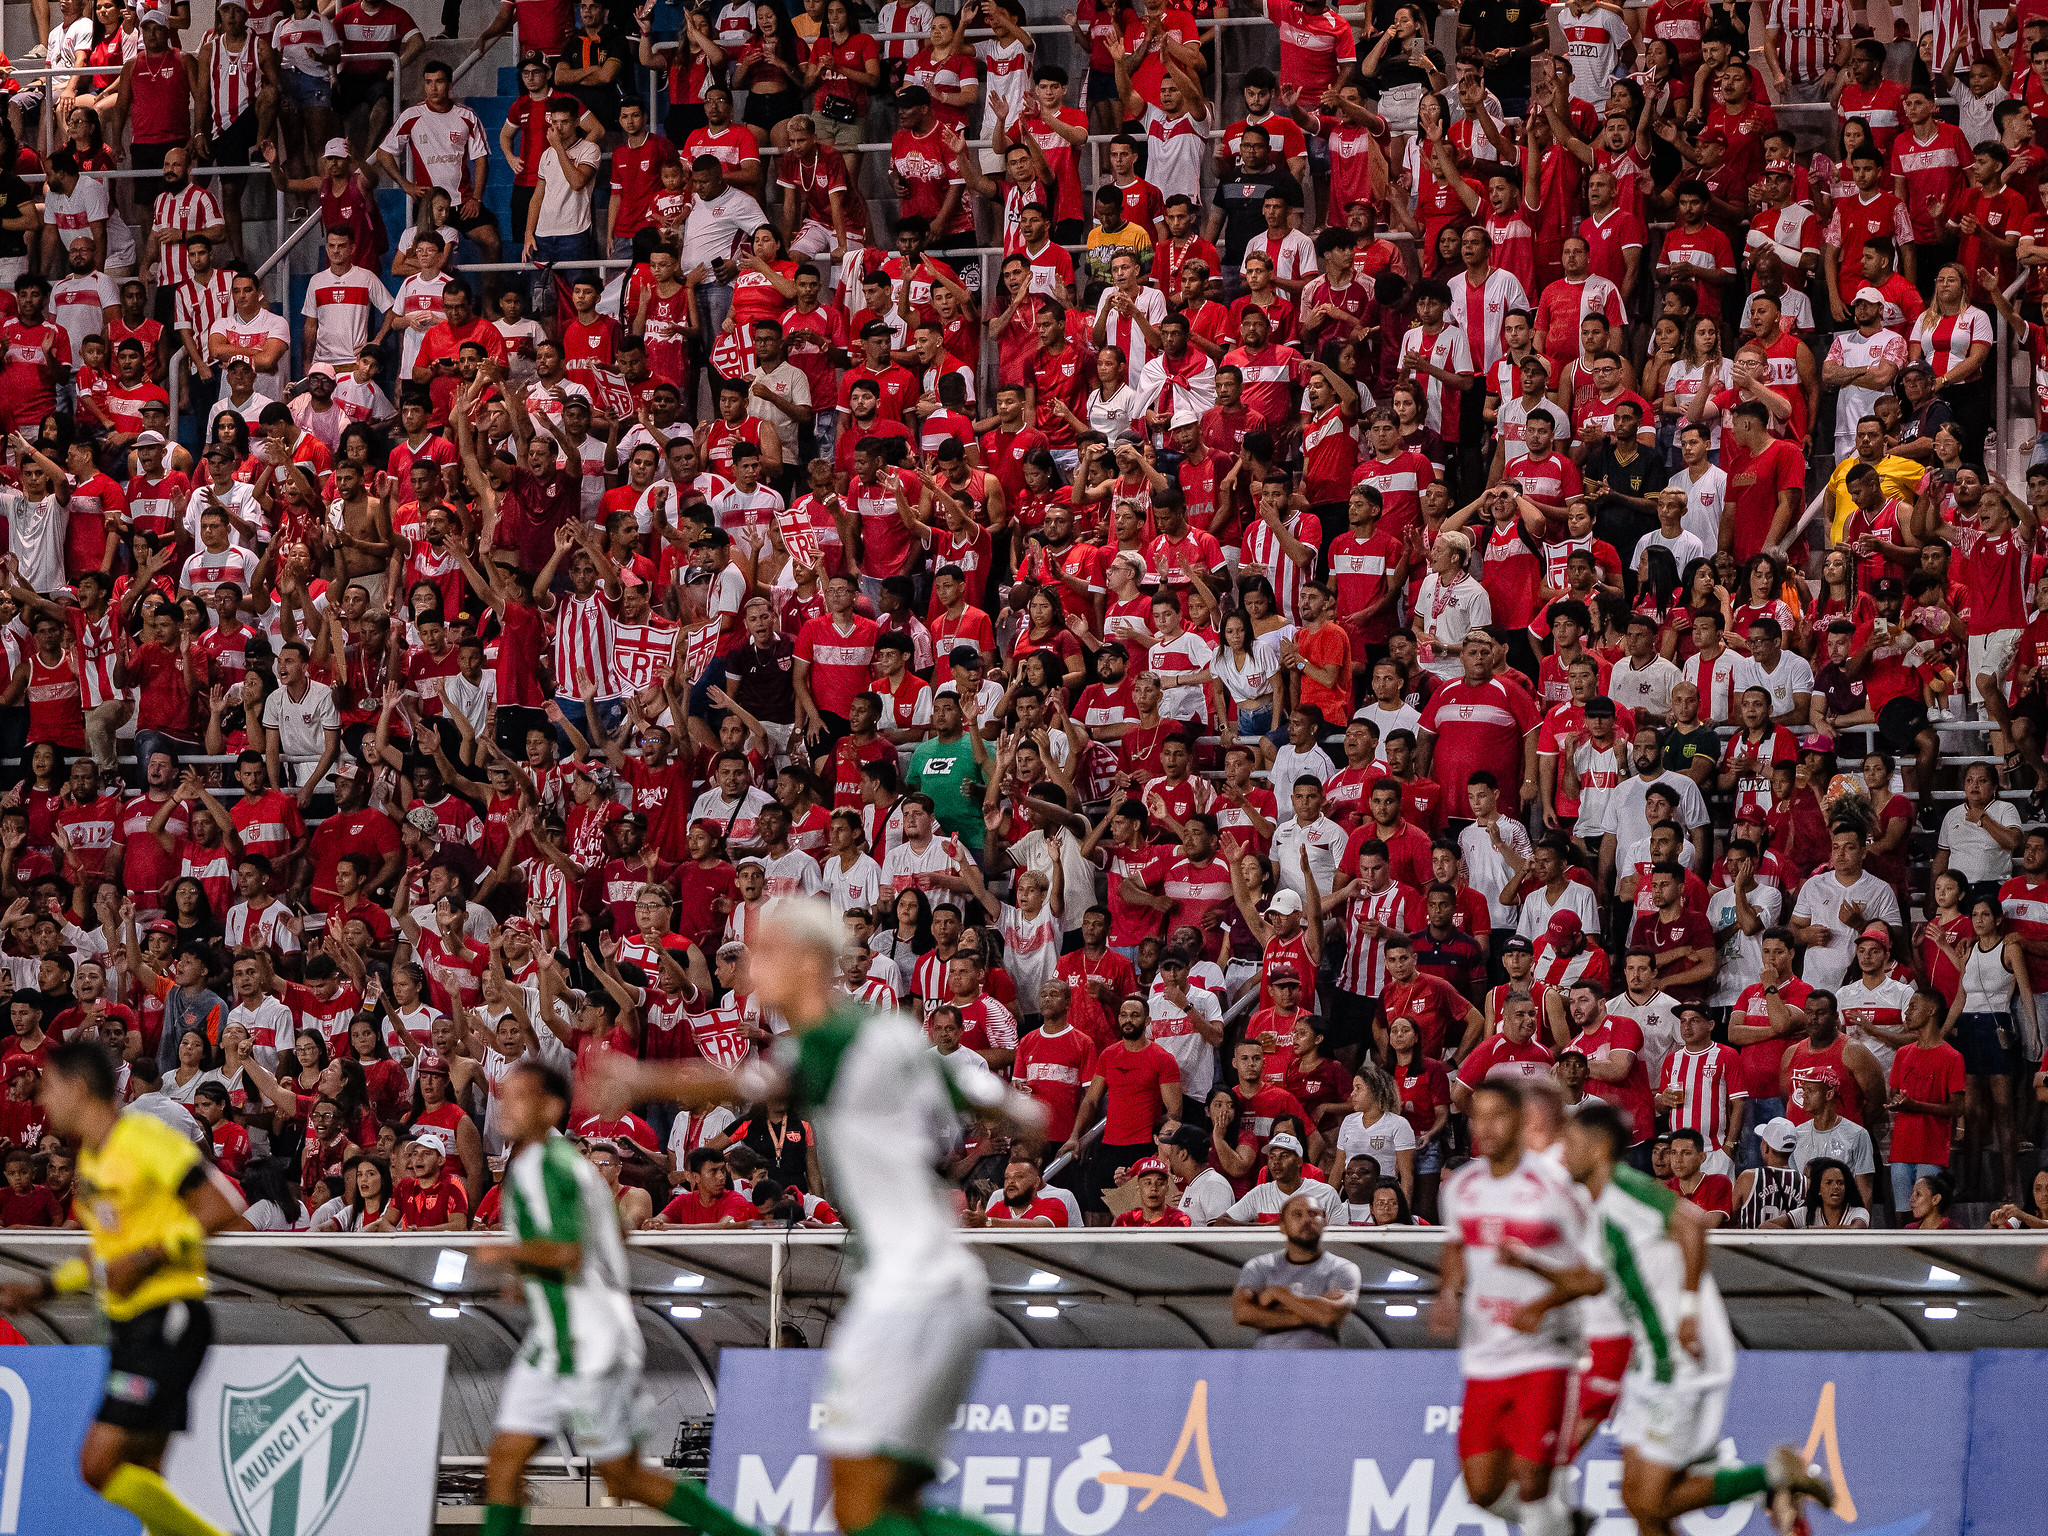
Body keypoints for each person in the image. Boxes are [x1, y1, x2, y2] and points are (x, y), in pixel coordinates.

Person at [590, 901, 1043, 1536]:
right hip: (945, 1286)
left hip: (906, 1293)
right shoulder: (888, 1036)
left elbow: (736, 1085)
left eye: (764, 950)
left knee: (857, 1512)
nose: (750, 964)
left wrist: (639, 1077)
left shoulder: (837, 1039)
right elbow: (995, 1101)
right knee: (894, 1509)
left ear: (808, 962)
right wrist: (1019, 1111)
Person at [1506, 1102, 1836, 1534]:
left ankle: (1772, 1476)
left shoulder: (1626, 1187)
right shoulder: (1599, 1208)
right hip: (1648, 1359)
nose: (1563, 1154)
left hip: (1682, 1354)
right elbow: (1591, 1281)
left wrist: (1688, 1310)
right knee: (1637, 1502)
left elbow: (1692, 1225)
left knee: (1651, 1499)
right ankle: (1774, 1481)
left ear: (1600, 1147)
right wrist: (1535, 1284)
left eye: (1572, 1143)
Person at [478, 1059, 770, 1536]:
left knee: (622, 1477)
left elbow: (569, 1253)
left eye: (522, 1096)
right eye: (505, 1094)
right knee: (505, 1463)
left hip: (589, 1341)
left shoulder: (546, 1165)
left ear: (552, 1108)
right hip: (555, 1336)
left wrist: (508, 1252)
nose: (507, 1104)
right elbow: (612, 1233)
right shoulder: (558, 1164)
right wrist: (530, 1277)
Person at [0, 1042, 245, 1536]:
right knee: (144, 1473)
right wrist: (42, 1290)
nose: (42, 1098)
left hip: (169, 1316)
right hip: (133, 1326)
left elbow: (223, 1204)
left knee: (98, 1467)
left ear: (80, 1088)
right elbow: (104, 1254)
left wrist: (149, 1254)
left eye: (50, 1086)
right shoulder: (92, 1160)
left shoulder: (144, 1139)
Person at [1229, 1192, 1360, 1347]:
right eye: (1297, 1215)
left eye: (1313, 1214)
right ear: (1282, 1226)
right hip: (1268, 1365)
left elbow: (1328, 1315)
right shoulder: (1260, 1265)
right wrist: (1311, 1314)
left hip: (1321, 1366)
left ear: (1324, 1222)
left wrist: (1279, 1293)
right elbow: (1242, 1313)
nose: (1306, 1219)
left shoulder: (1343, 1268)